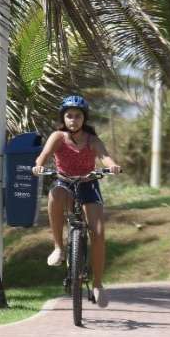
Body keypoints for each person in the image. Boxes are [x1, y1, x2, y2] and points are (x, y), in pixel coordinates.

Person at [32, 95, 122, 308]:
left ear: (84, 118)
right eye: (69, 116)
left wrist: (112, 165)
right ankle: (58, 247)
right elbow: (44, 155)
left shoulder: (92, 140)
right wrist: (39, 165)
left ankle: (98, 284)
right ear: (63, 118)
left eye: (78, 116)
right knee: (55, 194)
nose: (73, 120)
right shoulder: (58, 137)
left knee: (98, 233)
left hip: (88, 184)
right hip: (64, 182)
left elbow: (105, 157)